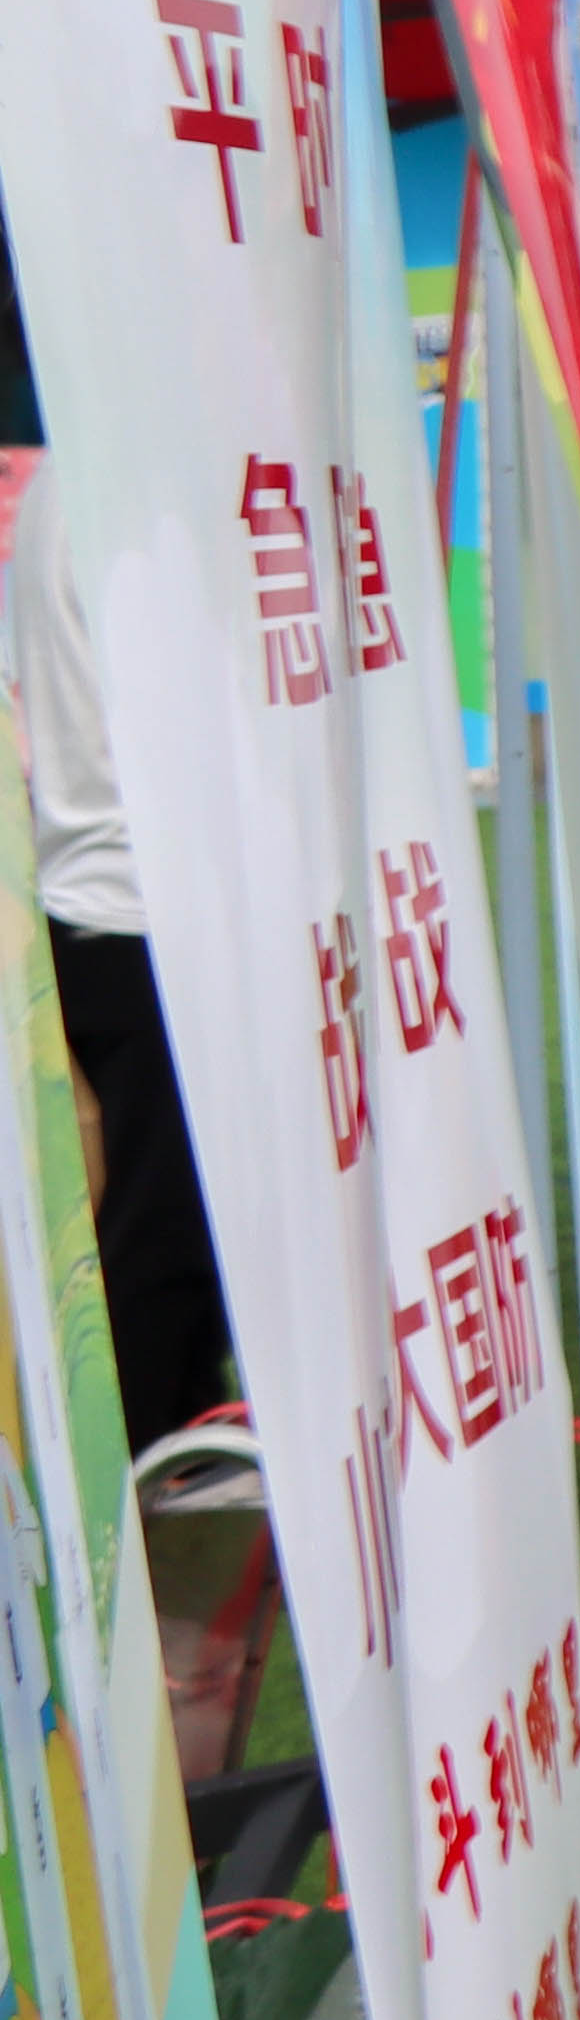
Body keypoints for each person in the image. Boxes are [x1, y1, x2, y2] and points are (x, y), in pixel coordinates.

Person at [11, 487, 230, 1451]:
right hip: (138, 912)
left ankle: (172, 1463)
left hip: (110, 910)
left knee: (166, 1241)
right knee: (157, 1250)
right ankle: (146, 1481)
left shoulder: (69, 491)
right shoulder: (118, 487)